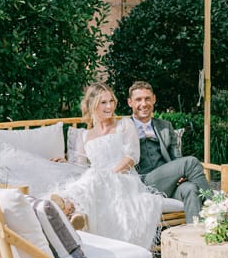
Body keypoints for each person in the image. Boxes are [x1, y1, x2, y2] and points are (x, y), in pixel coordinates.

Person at [59, 82, 163, 249]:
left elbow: (132, 157)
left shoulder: (124, 124)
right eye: (103, 102)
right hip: (97, 183)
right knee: (91, 176)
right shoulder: (84, 136)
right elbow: (80, 167)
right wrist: (65, 161)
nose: (109, 106)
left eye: (111, 101)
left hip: (124, 178)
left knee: (95, 176)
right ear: (92, 105)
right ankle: (73, 210)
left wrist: (109, 175)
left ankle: (71, 207)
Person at [127, 81, 213, 223]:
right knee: (191, 161)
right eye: (138, 99)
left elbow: (176, 158)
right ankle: (216, 205)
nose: (144, 103)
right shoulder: (124, 127)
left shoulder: (165, 126)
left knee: (191, 189)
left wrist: (180, 176)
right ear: (130, 102)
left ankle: (194, 235)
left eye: (147, 98)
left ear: (154, 99)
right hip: (144, 182)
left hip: (168, 183)